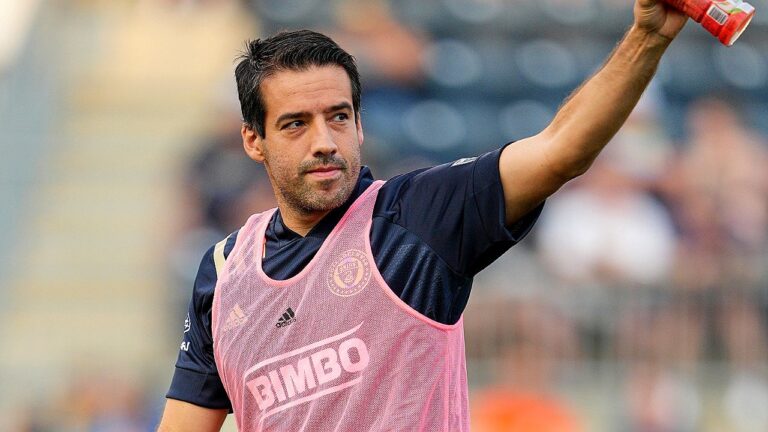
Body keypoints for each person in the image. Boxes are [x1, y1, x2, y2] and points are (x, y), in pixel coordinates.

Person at [158, 1, 688, 430]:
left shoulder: (417, 216)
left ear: (360, 125)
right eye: (296, 124)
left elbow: (560, 151)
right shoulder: (224, 272)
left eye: (338, 117)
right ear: (254, 140)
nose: (324, 141)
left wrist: (647, 38)